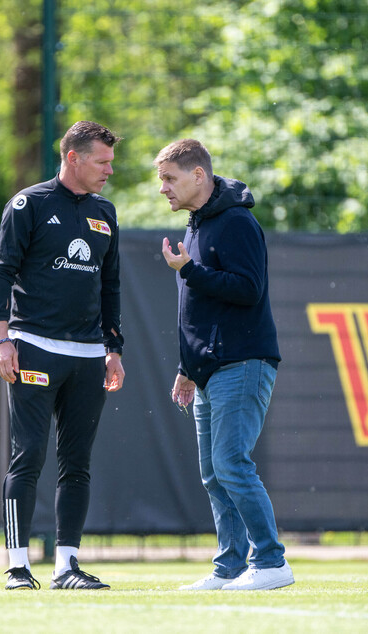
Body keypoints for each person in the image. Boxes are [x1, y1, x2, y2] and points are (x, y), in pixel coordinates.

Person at [0, 120, 126, 591]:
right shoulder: (29, 204)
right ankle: (17, 566)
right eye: (102, 161)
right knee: (27, 455)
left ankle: (67, 566)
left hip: (89, 355)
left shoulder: (105, 211)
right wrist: (0, 340)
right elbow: (1, 272)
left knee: (78, 462)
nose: (110, 170)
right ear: (74, 157)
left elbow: (110, 287)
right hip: (33, 347)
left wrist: (113, 349)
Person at [156, 139, 293, 591]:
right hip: (209, 368)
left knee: (232, 462)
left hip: (243, 361)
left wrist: (188, 270)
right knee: (215, 472)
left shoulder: (235, 221)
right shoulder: (198, 224)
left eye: (169, 178)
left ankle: (271, 562)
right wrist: (186, 365)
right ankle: (230, 568)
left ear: (199, 175)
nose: (163, 189)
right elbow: (200, 310)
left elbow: (248, 289)